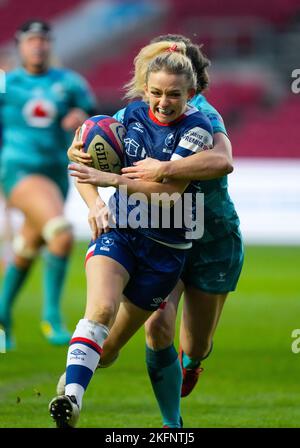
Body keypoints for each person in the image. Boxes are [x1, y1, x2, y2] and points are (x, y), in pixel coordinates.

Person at [63, 34, 244, 428]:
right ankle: (170, 423)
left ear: (192, 82)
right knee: (155, 327)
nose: (164, 99)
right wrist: (83, 158)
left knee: (195, 344)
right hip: (155, 232)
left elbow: (222, 160)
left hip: (209, 237)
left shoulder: (203, 116)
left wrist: (162, 169)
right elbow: (86, 154)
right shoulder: (135, 113)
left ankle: (192, 362)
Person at [0, 19, 97, 349]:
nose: (38, 45)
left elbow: (93, 116)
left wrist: (80, 117)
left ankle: (1, 316)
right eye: (31, 40)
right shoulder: (5, 82)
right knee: (60, 232)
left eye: (43, 40)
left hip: (57, 172)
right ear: (20, 44)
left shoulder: (69, 82)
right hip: (19, 170)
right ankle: (52, 317)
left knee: (28, 245)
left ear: (49, 44)